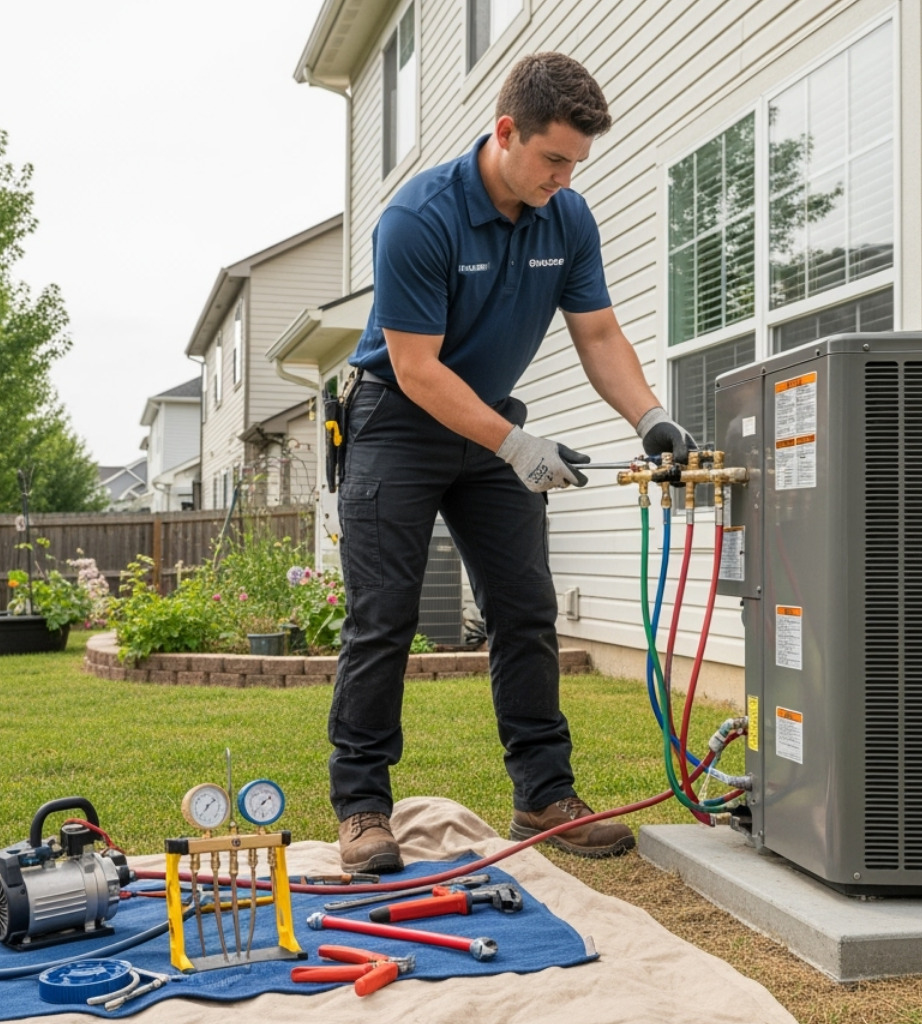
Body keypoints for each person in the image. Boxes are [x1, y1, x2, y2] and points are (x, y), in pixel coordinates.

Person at [330, 52, 694, 873]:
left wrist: (653, 417)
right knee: (383, 619)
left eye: (576, 163)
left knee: (525, 611)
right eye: (553, 158)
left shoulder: (566, 218)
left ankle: (543, 795)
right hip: (395, 418)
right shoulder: (418, 218)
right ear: (505, 133)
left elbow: (598, 335)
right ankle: (362, 808)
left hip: (491, 425)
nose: (564, 178)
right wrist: (518, 444)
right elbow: (418, 368)